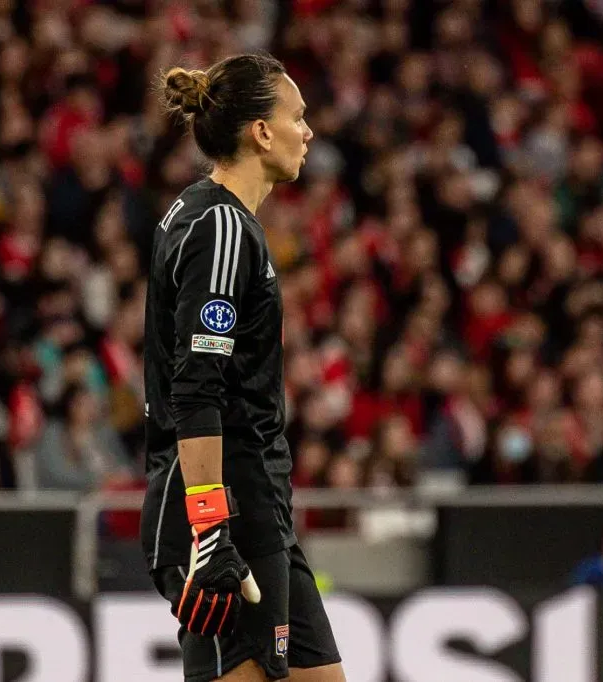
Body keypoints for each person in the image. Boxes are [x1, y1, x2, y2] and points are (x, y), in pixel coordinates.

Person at [140, 55, 344, 682]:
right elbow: (196, 386)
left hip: (261, 510)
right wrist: (210, 528)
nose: (307, 132)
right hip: (230, 509)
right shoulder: (221, 227)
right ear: (260, 131)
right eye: (297, 117)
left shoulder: (205, 216)